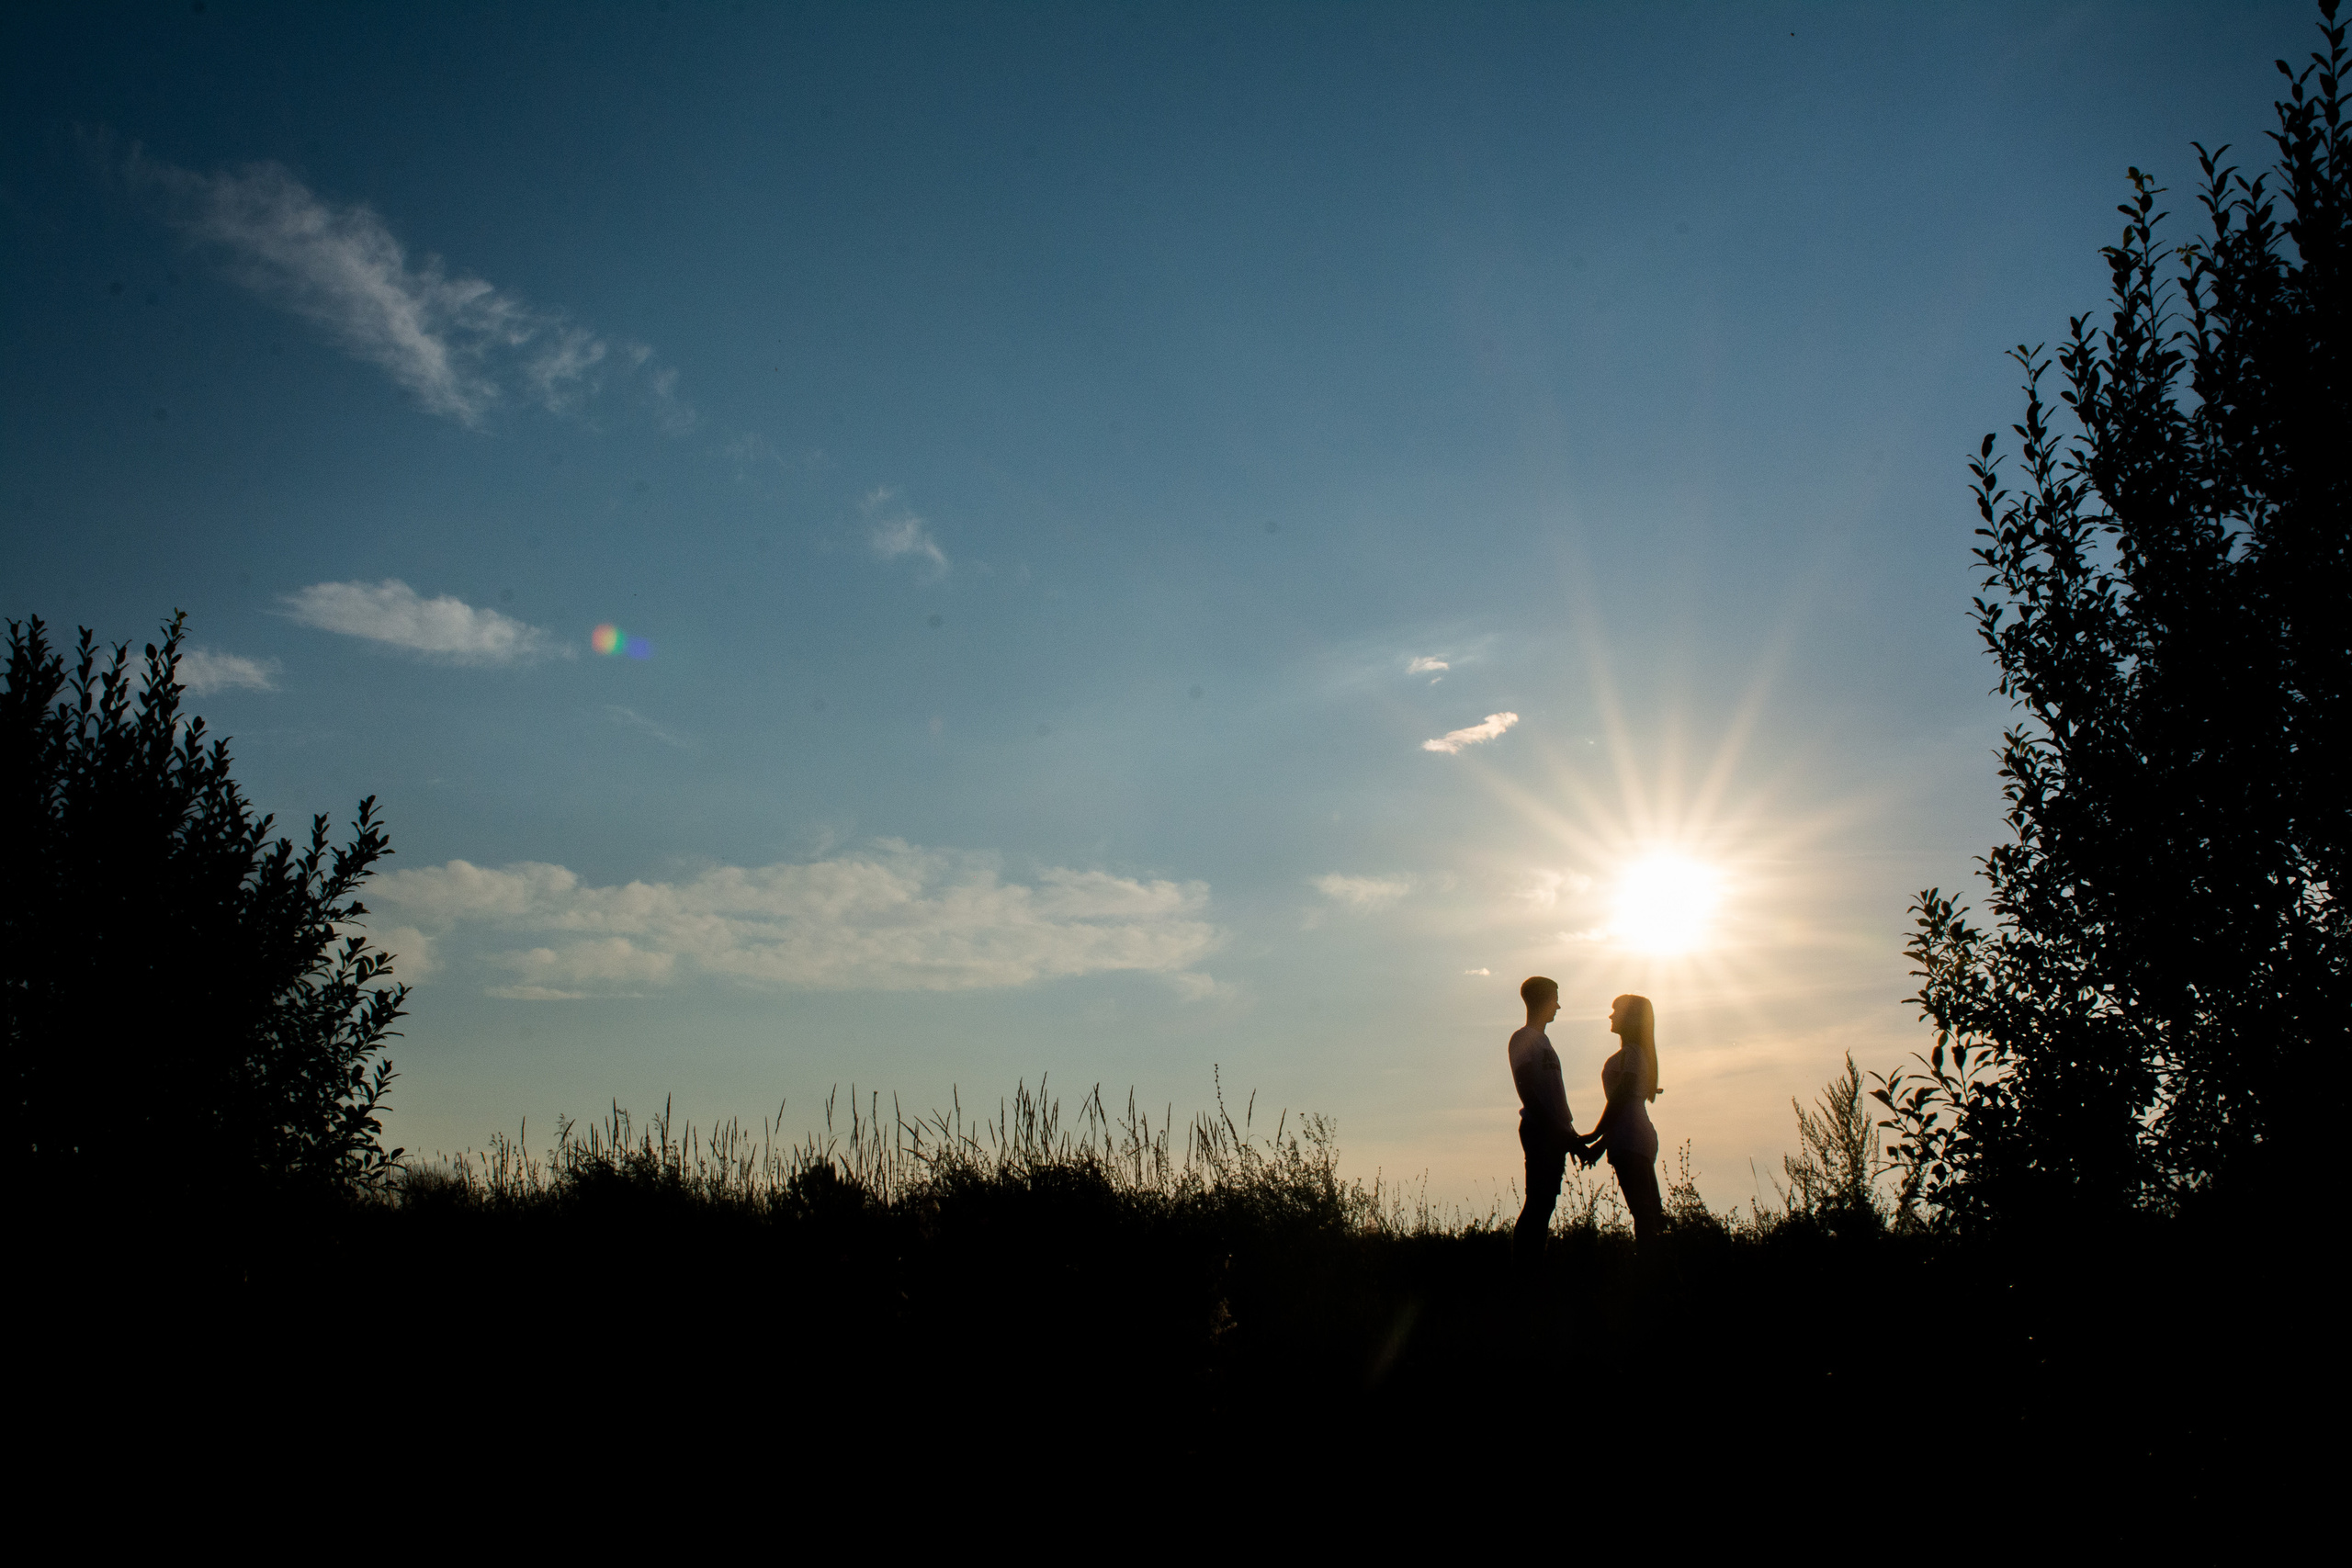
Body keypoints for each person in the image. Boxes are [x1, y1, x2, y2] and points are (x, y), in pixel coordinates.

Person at [1507, 976, 1601, 1276]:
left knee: (1545, 1203)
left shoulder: (1544, 1042)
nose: (1558, 1006)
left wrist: (1569, 1135)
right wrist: (1558, 1133)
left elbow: (1553, 1096)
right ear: (1540, 1000)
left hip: (1554, 1133)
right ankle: (1524, 1274)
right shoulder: (1523, 1038)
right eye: (1554, 999)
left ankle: (1532, 1271)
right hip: (1540, 1132)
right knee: (1538, 1203)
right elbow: (1528, 1090)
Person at [1594, 993, 1665, 1247]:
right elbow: (1621, 1109)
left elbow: (1621, 1099)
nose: (1611, 1016)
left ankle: (1652, 1264)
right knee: (1648, 1214)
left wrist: (1595, 1135)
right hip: (1631, 1137)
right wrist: (1601, 1145)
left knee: (1645, 1216)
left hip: (1630, 1139)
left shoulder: (1632, 1054)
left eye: (1616, 1011)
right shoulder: (1633, 1053)